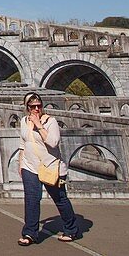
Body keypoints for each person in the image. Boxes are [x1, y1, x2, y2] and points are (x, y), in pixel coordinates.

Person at [18, 93, 78, 245]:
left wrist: (39, 125)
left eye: (39, 106)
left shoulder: (50, 121)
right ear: (27, 108)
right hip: (29, 166)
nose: (36, 109)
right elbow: (23, 142)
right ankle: (30, 234)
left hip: (50, 166)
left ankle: (71, 229)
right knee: (32, 199)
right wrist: (20, 164)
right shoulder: (24, 121)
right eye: (32, 107)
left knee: (60, 199)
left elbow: (53, 142)